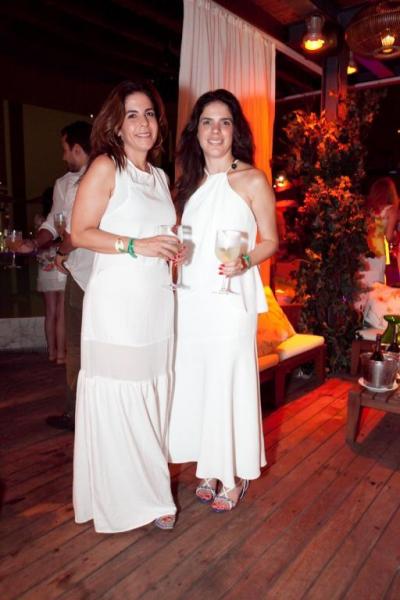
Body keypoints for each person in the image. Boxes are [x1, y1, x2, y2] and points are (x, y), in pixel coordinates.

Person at [70, 81, 179, 532]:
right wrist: (137, 245)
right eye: (132, 114)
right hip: (117, 306)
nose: (143, 123)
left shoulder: (160, 177)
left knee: (153, 397)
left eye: (149, 113)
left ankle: (147, 489)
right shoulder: (106, 167)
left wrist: (173, 248)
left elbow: (160, 236)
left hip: (157, 302)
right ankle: (149, 499)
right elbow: (80, 232)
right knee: (123, 398)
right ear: (116, 124)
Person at [168, 89, 278, 512]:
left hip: (232, 299)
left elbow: (271, 240)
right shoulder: (188, 184)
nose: (216, 131)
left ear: (236, 131)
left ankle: (233, 473)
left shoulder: (252, 179)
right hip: (193, 299)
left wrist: (246, 260)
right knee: (200, 380)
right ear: (196, 131)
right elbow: (186, 238)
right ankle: (209, 467)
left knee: (228, 380)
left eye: (225, 122)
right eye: (208, 122)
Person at [35, 187, 67, 363]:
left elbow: (38, 243)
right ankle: (61, 354)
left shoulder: (40, 219)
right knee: (61, 313)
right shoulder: (64, 216)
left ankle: (51, 352)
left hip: (45, 266)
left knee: (50, 311)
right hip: (61, 263)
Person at [362, 177, 400, 287]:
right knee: (376, 283)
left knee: (364, 281)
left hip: (364, 247)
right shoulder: (391, 210)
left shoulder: (367, 209)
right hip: (378, 249)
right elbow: (388, 237)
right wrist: (394, 236)